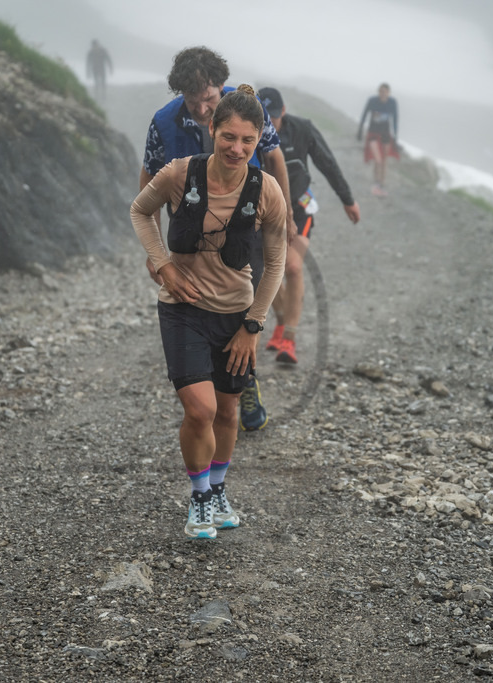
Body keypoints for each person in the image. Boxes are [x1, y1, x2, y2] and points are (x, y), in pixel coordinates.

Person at [131, 84, 287, 539]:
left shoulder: (266, 190)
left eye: (247, 141)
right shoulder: (181, 174)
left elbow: (275, 263)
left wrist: (253, 327)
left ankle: (218, 491)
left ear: (258, 141)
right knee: (200, 409)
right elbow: (141, 212)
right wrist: (162, 264)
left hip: (236, 315)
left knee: (228, 412)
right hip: (182, 310)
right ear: (213, 130)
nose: (237, 149)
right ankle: (199, 499)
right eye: (228, 137)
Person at [140, 46, 294, 432]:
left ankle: (243, 383)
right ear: (181, 95)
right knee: (193, 306)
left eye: (208, 98)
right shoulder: (164, 122)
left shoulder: (245, 108)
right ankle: (204, 387)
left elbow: (275, 158)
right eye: (193, 101)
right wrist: (155, 252)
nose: (202, 109)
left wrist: (286, 214)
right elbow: (149, 176)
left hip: (248, 224)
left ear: (219, 87)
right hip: (190, 230)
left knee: (245, 302)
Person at [258, 87, 361, 364]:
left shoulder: (302, 129)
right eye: (266, 118)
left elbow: (327, 162)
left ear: (284, 111)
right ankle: (280, 322)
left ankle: (289, 340)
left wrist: (347, 199)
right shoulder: (248, 133)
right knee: (264, 273)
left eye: (276, 117)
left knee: (292, 267)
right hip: (264, 212)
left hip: (300, 208)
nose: (272, 123)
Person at [357, 83, 400, 197]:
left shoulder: (392, 103)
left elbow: (395, 120)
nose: (383, 94)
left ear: (389, 93)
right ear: (378, 92)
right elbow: (364, 115)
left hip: (386, 134)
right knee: (378, 160)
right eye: (381, 91)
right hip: (373, 134)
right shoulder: (372, 101)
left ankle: (381, 184)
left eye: (385, 92)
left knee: (384, 161)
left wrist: (395, 136)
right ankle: (376, 183)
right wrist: (360, 130)